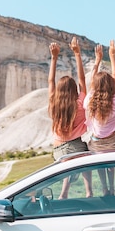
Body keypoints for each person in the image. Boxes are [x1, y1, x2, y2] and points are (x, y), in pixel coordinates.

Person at [48, 37, 92, 198]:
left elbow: (50, 80)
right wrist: (77, 53)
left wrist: (54, 57)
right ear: (74, 90)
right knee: (85, 156)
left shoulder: (54, 103)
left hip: (57, 150)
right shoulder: (80, 103)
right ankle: (89, 191)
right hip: (75, 147)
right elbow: (82, 80)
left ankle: (64, 193)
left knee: (75, 159)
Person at [84, 40, 115, 195]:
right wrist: (112, 57)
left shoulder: (90, 100)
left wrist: (97, 60)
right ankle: (112, 186)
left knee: (101, 165)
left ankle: (103, 187)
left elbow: (91, 85)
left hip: (96, 143)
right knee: (110, 166)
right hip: (112, 142)